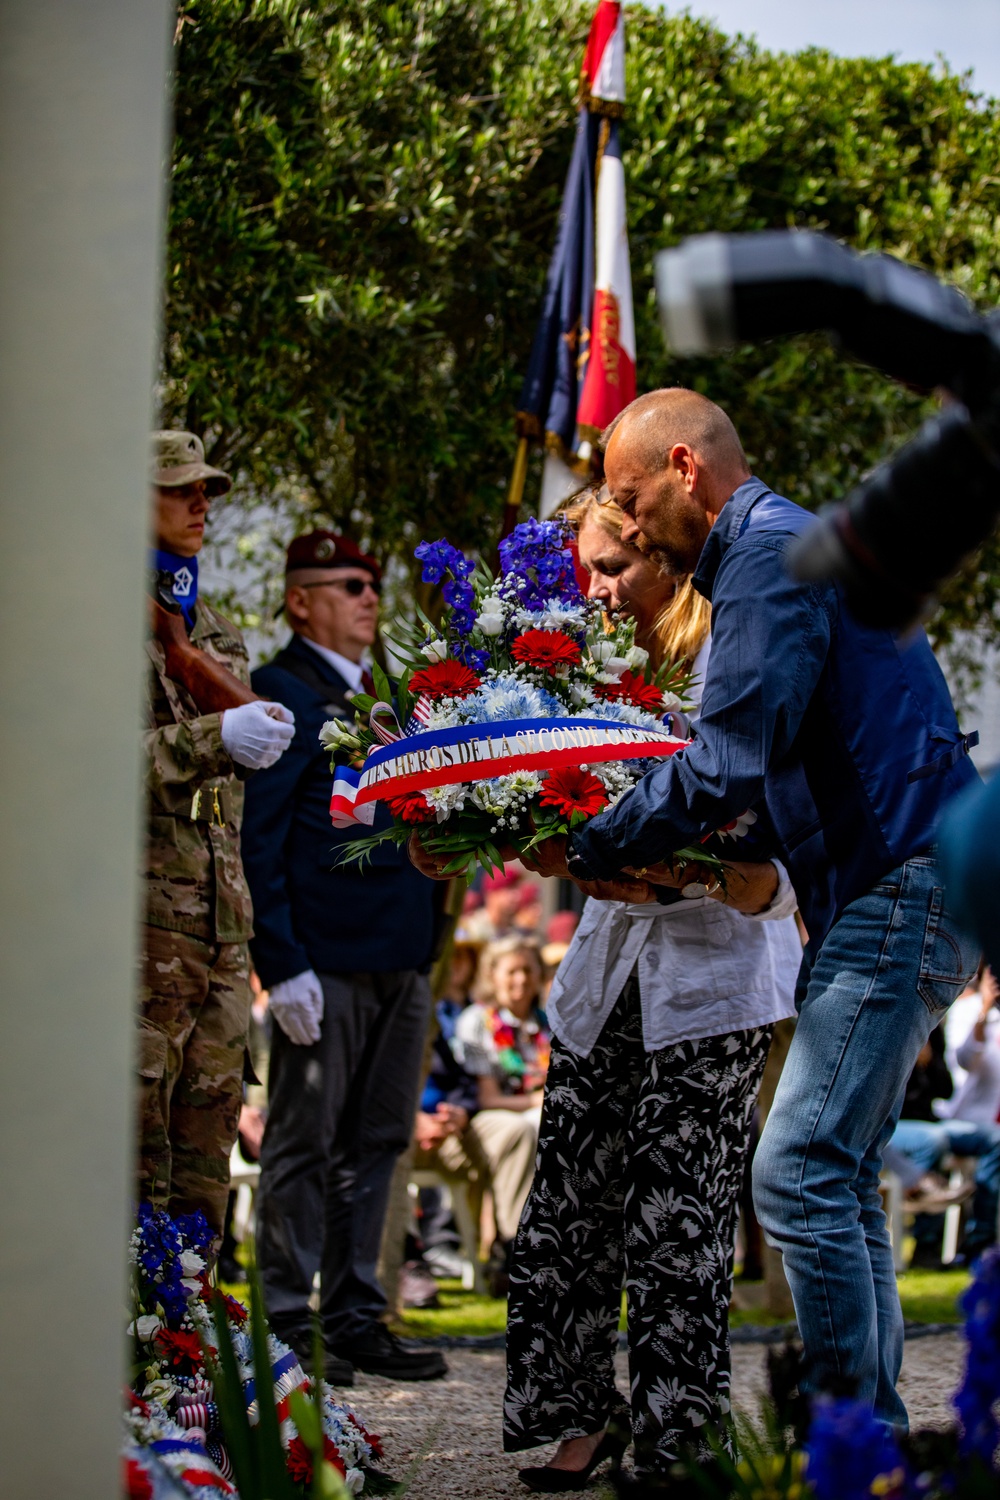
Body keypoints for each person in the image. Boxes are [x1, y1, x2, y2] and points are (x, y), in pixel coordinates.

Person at [525, 388, 980, 1430]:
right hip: (916, 885)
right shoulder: (790, 547)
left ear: (685, 469)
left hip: (896, 887)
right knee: (841, 1172)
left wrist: (598, 842)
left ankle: (851, 1448)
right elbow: (774, 768)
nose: (626, 527)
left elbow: (729, 758)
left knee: (801, 1168)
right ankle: (869, 1442)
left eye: (632, 501)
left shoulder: (767, 559)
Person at [501, 488, 801, 1485]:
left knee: (681, 1216)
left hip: (713, 981)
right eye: (585, 570)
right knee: (568, 1205)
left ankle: (679, 1437)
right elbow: (544, 814)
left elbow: (779, 868)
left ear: (666, 555)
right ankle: (581, 1417)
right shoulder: (582, 673)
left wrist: (689, 869)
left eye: (613, 568)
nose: (595, 589)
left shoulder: (741, 655)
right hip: (604, 975)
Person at [241, 529, 446, 1384]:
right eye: (350, 583)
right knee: (302, 1143)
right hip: (322, 963)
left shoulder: (388, 695)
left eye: (374, 583)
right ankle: (286, 1320)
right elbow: (263, 840)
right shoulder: (282, 694)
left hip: (401, 957)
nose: (370, 596)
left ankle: (356, 1314)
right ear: (300, 601)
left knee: (380, 1140)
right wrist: (280, 962)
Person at [139, 431, 295, 1241]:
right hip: (137, 931)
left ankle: (188, 1343)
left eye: (208, 490)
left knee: (207, 1141)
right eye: (180, 489)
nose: (202, 503)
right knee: (134, 1141)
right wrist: (208, 740)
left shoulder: (217, 630)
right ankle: (127, 1347)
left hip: (219, 927)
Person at [453, 936, 552, 1295]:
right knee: (526, 1128)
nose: (521, 980)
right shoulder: (478, 1021)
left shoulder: (547, 1024)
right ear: (493, 975)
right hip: (490, 1117)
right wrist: (535, 1104)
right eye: (512, 971)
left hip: (535, 1113)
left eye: (528, 970)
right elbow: (486, 1096)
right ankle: (513, 1246)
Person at [463, 865, 527, 941]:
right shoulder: (470, 929)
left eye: (517, 888)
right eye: (510, 888)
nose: (517, 896)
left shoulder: (519, 933)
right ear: (492, 893)